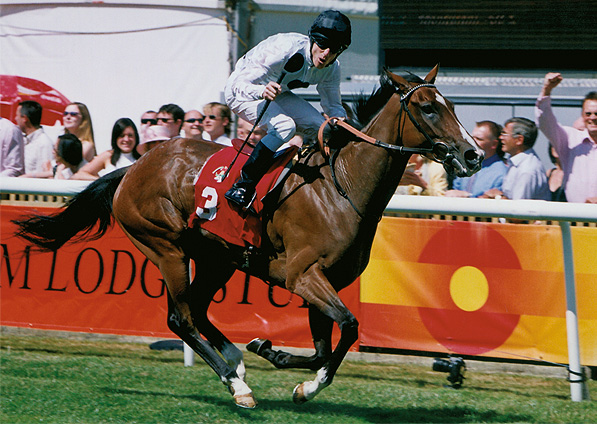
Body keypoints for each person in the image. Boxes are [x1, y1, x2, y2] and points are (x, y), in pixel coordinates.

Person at [224, 9, 351, 208]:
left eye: (334, 49)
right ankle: (244, 185)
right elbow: (236, 85)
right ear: (313, 40)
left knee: (323, 128)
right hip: (243, 92)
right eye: (323, 45)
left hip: (278, 94)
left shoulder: (332, 69)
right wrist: (261, 91)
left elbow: (334, 106)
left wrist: (341, 121)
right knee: (285, 126)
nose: (326, 54)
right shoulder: (284, 48)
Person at [535, 72, 597, 203]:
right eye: (588, 113)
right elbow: (545, 122)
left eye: (596, 113)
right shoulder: (570, 139)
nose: (592, 118)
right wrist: (546, 91)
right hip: (575, 218)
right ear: (582, 115)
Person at [482, 117, 550, 201]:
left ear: (519, 140)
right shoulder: (516, 163)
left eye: (504, 134)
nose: (500, 137)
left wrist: (497, 197)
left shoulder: (527, 170)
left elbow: (519, 209)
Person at [445, 121, 507, 198]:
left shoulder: (501, 173)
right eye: (472, 137)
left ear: (494, 144)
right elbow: (456, 188)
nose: (472, 142)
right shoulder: (467, 164)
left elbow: (494, 200)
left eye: (479, 139)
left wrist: (468, 196)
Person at [73, 118, 140, 180]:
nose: (126, 139)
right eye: (121, 136)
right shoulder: (108, 156)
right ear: (115, 138)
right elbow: (80, 174)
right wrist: (103, 182)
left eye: (130, 135)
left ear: (136, 137)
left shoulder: (142, 156)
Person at [14, 101, 54, 178]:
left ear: (25, 118)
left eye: (17, 115)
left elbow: (46, 175)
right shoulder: (22, 140)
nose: (15, 119)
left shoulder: (44, 143)